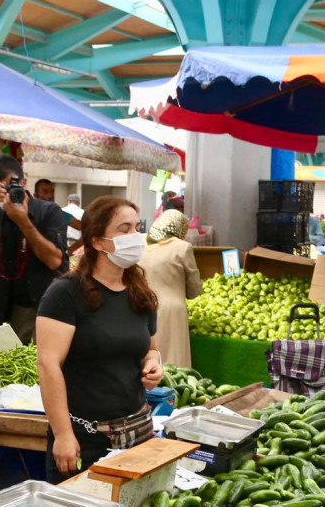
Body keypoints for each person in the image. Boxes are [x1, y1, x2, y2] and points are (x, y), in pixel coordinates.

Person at [37, 196, 163, 481]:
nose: (135, 236)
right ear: (96, 241)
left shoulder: (140, 293)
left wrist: (153, 364)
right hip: (85, 436)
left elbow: (151, 349)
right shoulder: (66, 294)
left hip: (138, 432)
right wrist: (63, 433)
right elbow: (48, 365)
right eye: (124, 229)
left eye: (137, 227)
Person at [0, 155, 67, 344]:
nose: (8, 194)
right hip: (0, 306)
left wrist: (23, 221)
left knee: (37, 361)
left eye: (11, 186)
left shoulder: (50, 212)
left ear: (24, 183)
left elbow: (54, 261)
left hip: (43, 308)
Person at [141, 209, 202, 368]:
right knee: (172, 360)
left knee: (145, 357)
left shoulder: (139, 241)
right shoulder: (182, 247)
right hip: (171, 312)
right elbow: (194, 290)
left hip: (140, 306)